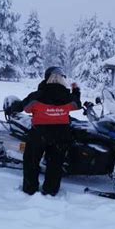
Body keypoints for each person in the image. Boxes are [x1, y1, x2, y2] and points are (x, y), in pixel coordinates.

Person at [13, 66, 81, 196]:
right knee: (55, 164)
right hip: (61, 135)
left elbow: (25, 108)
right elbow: (77, 104)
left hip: (39, 134)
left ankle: (30, 188)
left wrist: (14, 108)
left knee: (31, 161)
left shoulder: (37, 96)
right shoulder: (68, 97)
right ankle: (50, 191)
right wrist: (76, 90)